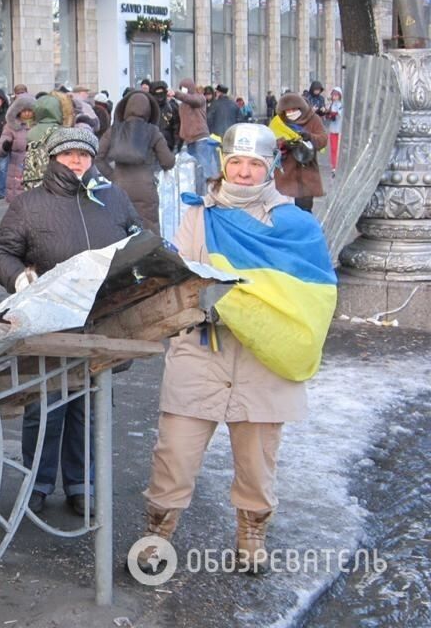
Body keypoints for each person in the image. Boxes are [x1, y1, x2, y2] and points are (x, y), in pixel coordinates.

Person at [138, 123, 336, 574]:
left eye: (254, 164)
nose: (244, 172)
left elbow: (312, 294)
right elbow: (184, 276)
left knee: (257, 463)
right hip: (200, 350)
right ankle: (157, 535)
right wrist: (211, 301)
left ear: (269, 169)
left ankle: (251, 536)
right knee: (175, 454)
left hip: (264, 361)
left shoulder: (295, 226)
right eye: (236, 163)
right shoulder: (198, 215)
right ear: (224, 164)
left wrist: (252, 309)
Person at [0, 127, 142, 516]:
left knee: (89, 406)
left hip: (101, 321)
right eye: (68, 154)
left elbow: (139, 240)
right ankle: (36, 483)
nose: (77, 161)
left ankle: (81, 483)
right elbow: (0, 252)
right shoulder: (30, 204)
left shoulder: (113, 198)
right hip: (50, 321)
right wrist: (21, 279)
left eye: (84, 154)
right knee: (45, 405)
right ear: (53, 157)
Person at [95, 90, 176, 234]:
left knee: (120, 228)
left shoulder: (114, 130)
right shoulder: (153, 131)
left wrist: (112, 176)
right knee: (149, 231)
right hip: (146, 189)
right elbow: (168, 162)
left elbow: (98, 158)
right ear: (149, 110)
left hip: (119, 186)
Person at [270, 92, 327, 212]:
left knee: (305, 209)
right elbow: (270, 142)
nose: (291, 113)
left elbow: (323, 140)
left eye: (294, 110)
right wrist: (283, 144)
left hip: (306, 170)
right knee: (285, 210)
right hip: (285, 173)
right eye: (287, 111)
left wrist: (309, 136)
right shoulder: (277, 122)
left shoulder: (313, 119)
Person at [172, 77, 219, 185]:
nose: (183, 91)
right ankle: (199, 188)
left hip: (200, 138)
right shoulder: (182, 105)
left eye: (184, 89)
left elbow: (190, 99)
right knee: (194, 167)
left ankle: (210, 188)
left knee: (204, 166)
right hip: (189, 141)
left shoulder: (199, 98)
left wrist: (176, 93)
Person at [0, 93, 36, 203]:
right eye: (23, 110)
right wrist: (5, 147)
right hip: (17, 171)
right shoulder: (11, 127)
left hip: (36, 169)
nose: (27, 113)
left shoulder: (39, 126)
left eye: (30, 110)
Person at [150, 80, 180, 152]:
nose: (159, 97)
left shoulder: (172, 107)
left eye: (161, 93)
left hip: (168, 145)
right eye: (157, 93)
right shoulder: (148, 108)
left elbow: (177, 127)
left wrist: (176, 145)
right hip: (151, 146)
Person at [326, 86, 343, 175]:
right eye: (333, 95)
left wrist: (333, 114)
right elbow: (329, 115)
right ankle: (333, 165)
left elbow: (339, 115)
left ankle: (337, 165)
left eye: (336, 95)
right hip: (332, 129)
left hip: (339, 129)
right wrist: (328, 114)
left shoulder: (341, 105)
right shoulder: (332, 105)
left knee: (338, 148)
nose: (335, 97)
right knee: (332, 148)